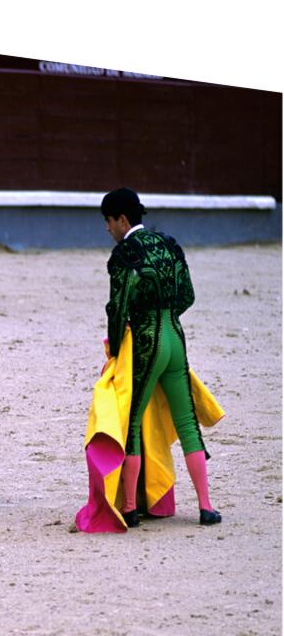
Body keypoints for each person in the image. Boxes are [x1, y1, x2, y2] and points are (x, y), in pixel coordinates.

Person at [101, 187, 221, 526]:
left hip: (145, 341)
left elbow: (118, 306)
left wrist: (117, 344)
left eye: (109, 222)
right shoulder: (169, 244)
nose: (108, 229)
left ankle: (128, 507)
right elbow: (188, 295)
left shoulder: (125, 254)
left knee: (133, 424)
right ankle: (206, 506)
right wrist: (167, 314)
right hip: (175, 337)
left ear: (122, 220)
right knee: (187, 424)